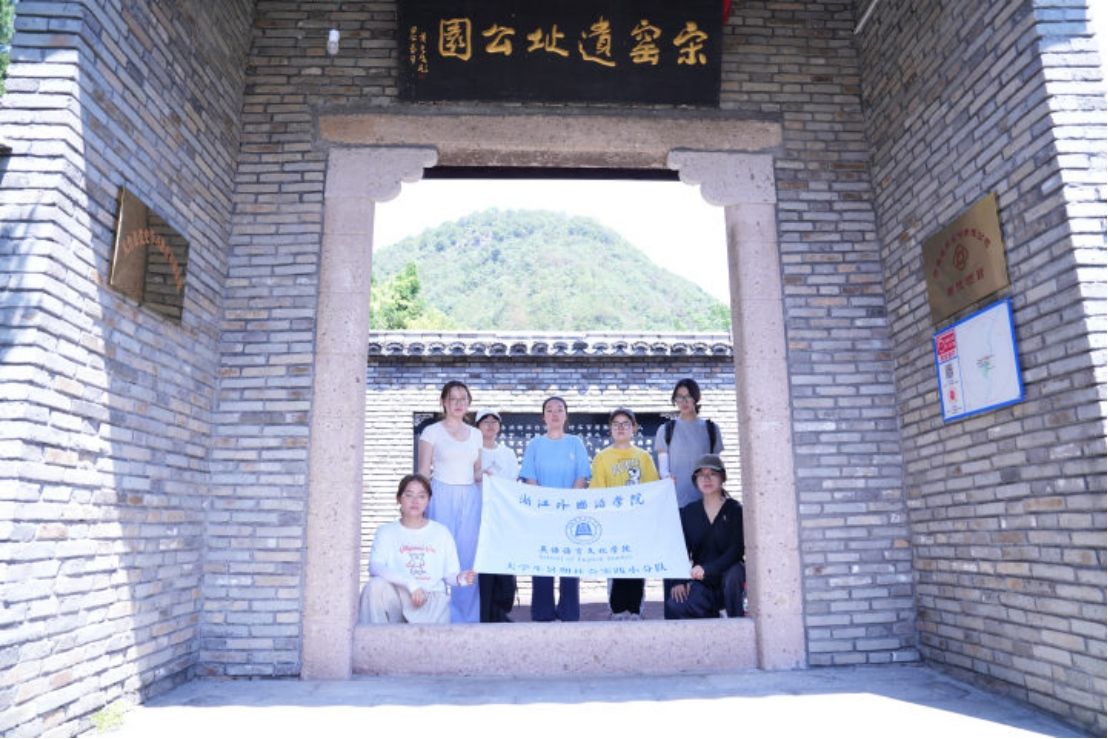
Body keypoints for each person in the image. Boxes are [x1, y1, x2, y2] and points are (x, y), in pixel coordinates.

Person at [361, 474, 476, 624]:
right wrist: (411, 584)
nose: (415, 501)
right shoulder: (386, 532)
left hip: (431, 602)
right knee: (374, 586)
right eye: (409, 495)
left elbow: (449, 575)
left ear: (428, 500)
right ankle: (375, 638)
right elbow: (375, 567)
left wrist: (461, 579)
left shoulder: (441, 533)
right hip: (398, 598)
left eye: (421, 496)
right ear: (398, 499)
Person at [519, 395, 591, 622]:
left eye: (559, 409)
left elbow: (582, 476)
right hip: (542, 513)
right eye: (549, 410)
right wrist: (545, 506)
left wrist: (567, 505)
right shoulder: (534, 444)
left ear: (566, 415)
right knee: (543, 560)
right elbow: (529, 478)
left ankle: (569, 611)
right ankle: (542, 612)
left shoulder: (575, 443)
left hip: (570, 512)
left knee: (569, 563)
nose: (555, 414)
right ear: (543, 417)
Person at [417, 380, 483, 623]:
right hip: (440, 495)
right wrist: (420, 504)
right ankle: (436, 615)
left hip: (470, 498)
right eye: (453, 398)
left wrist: (489, 475)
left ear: (469, 403)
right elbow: (423, 471)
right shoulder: (431, 431)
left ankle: (467, 619)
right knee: (439, 554)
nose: (458, 403)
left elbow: (476, 472)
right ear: (443, 402)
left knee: (468, 558)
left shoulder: (476, 434)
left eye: (463, 398)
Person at [589, 407, 660, 620]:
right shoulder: (602, 457)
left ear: (634, 428)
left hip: (637, 524)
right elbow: (597, 493)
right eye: (616, 424)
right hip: (614, 524)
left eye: (626, 424)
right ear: (610, 428)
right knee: (616, 567)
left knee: (636, 569)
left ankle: (636, 612)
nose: (621, 428)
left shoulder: (643, 457)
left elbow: (652, 489)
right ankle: (617, 611)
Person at [664, 454, 745, 619]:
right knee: (677, 603)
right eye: (701, 475)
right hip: (702, 581)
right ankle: (715, 617)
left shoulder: (735, 510)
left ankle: (736, 620)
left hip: (728, 575)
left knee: (735, 572)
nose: (706, 479)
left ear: (722, 477)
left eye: (712, 474)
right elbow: (681, 549)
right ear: (695, 480)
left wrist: (708, 569)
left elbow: (737, 550)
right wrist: (679, 580)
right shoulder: (689, 512)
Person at [475, 408, 519, 623]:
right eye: (485, 421)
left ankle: (501, 612)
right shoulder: (472, 451)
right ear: (477, 426)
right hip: (478, 514)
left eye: (494, 421)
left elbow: (513, 483)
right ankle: (485, 613)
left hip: (503, 516)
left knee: (503, 564)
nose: (490, 425)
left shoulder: (508, 453)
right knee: (484, 565)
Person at [654, 378, 724, 509]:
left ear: (696, 398)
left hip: (706, 503)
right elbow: (663, 471)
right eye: (679, 397)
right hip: (676, 504)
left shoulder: (711, 429)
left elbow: (716, 468)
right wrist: (667, 478)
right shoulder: (665, 430)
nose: (684, 401)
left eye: (688, 396)